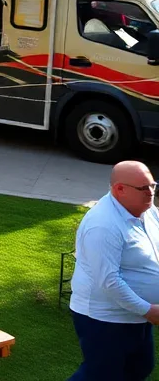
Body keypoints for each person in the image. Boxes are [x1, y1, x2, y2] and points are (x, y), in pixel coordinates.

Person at [67, 161, 159, 381]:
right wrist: (147, 310)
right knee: (102, 375)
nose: (151, 192)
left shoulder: (147, 210)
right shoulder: (103, 225)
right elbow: (109, 282)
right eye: (143, 188)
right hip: (105, 318)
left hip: (136, 314)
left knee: (140, 367)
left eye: (153, 185)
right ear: (120, 189)